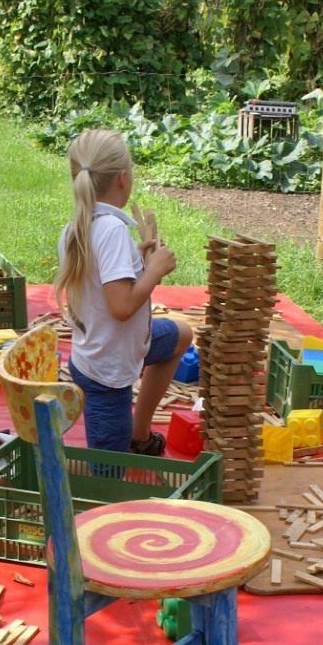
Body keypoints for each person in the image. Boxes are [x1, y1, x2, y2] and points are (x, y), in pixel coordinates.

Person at [55, 129, 193, 456]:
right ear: (122, 178)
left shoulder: (77, 226)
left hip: (108, 349)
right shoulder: (112, 230)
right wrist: (155, 270)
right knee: (109, 474)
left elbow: (103, 282)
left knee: (180, 335)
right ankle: (116, 452)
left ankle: (138, 433)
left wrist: (139, 261)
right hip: (107, 376)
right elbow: (121, 307)